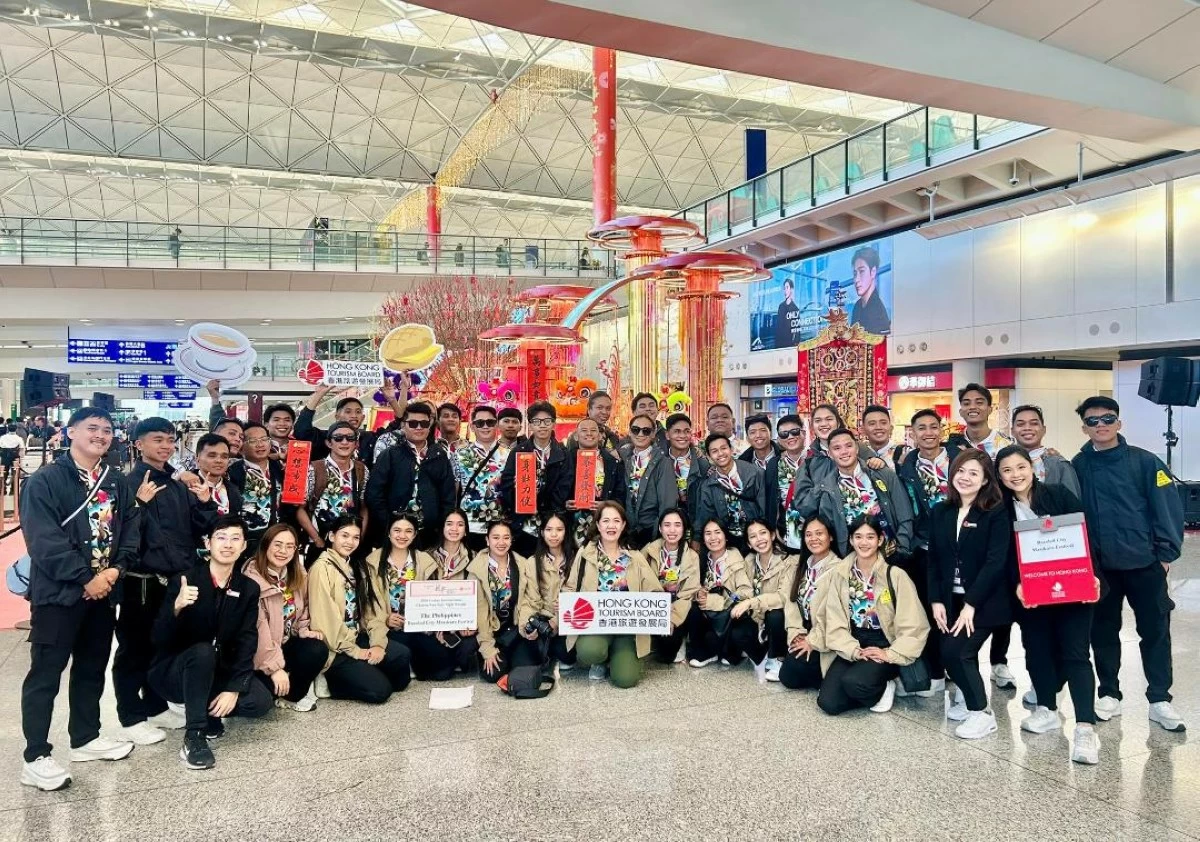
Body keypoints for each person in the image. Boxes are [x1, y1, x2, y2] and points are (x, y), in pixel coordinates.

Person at [18, 408, 138, 791]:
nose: (101, 435)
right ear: (71, 432)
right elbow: (43, 540)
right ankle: (35, 756)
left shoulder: (115, 481)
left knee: (91, 667)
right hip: (59, 594)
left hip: (104, 593)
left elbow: (131, 529)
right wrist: (86, 578)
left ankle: (85, 738)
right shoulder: (44, 481)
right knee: (46, 674)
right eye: (92, 428)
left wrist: (115, 571)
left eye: (107, 430)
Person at [1072, 396, 1185, 731]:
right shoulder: (1079, 465)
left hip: (1144, 563)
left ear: (1119, 423)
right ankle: (1109, 693)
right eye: (1093, 421)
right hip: (1101, 568)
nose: (1101, 425)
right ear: (1084, 428)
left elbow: (1168, 509)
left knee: (1155, 632)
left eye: (1108, 419)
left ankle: (1160, 699)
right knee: (1103, 631)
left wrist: (1165, 555)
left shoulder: (1146, 462)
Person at [114, 418, 217, 745]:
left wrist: (204, 501)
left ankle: (155, 705)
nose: (166, 446)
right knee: (134, 647)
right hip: (141, 580)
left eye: (170, 440)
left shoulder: (176, 482)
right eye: (157, 439)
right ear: (138, 443)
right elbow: (121, 535)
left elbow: (199, 529)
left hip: (175, 579)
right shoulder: (129, 483)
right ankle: (130, 715)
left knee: (163, 643)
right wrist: (139, 505)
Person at [996, 445, 1101, 764]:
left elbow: (1084, 535)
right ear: (999, 476)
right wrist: (1017, 584)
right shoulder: (1000, 510)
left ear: (1032, 468)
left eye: (1020, 467)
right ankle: (1047, 708)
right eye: (1007, 470)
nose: (1015, 475)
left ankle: (1085, 727)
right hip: (1032, 593)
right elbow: (1002, 555)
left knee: (1076, 654)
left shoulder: (1058, 495)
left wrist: (1091, 575)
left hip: (1074, 588)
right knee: (1037, 650)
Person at [149, 516, 271, 770]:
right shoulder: (185, 580)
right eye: (221, 537)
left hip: (217, 669)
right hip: (174, 671)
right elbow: (158, 638)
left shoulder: (248, 588)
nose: (228, 544)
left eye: (235, 539)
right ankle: (194, 735)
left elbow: (247, 639)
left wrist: (234, 689)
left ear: (244, 546)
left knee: (258, 702)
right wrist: (176, 608)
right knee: (203, 652)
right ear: (208, 543)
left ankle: (204, 708)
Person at [928, 450, 1012, 740]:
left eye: (974, 473)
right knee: (954, 652)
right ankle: (967, 700)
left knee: (957, 651)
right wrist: (936, 600)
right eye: (961, 471)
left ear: (986, 479)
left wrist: (971, 604)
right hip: (950, 599)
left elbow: (995, 562)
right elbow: (934, 559)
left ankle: (982, 713)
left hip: (984, 601)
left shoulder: (995, 512)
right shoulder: (941, 511)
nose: (965, 477)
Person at [816, 515, 928, 715]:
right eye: (858, 537)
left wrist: (889, 654)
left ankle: (886, 684)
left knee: (855, 682)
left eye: (870, 537)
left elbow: (914, 624)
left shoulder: (895, 575)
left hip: (886, 642)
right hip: (854, 641)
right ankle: (872, 685)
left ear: (880, 540)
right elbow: (834, 621)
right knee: (828, 703)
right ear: (851, 540)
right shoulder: (840, 575)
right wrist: (854, 651)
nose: (864, 542)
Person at [895, 409, 965, 697]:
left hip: (961, 548)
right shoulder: (906, 466)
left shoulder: (961, 459)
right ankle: (936, 672)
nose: (928, 433)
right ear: (912, 433)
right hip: (925, 549)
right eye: (921, 428)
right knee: (932, 610)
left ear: (941, 430)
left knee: (960, 612)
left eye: (933, 427)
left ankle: (962, 674)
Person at [307, 515, 413, 703]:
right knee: (381, 691)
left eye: (355, 537)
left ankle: (363, 672)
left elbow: (371, 612)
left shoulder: (355, 565)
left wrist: (377, 644)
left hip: (357, 635)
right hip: (336, 647)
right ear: (331, 536)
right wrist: (357, 652)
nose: (350, 542)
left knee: (401, 661)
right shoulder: (321, 568)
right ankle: (331, 682)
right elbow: (326, 622)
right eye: (344, 535)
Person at [561, 501, 664, 688]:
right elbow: (570, 587)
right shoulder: (585, 554)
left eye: (616, 521)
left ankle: (619, 657)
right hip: (596, 626)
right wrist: (563, 605)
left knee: (626, 680)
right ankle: (601, 660)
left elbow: (654, 590)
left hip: (627, 629)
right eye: (606, 521)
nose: (611, 526)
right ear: (598, 525)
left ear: (623, 525)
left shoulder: (634, 557)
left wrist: (662, 611)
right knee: (589, 652)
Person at [368, 513, 473, 681]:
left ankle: (413, 662)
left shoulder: (424, 560)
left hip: (418, 628)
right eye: (397, 530)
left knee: (443, 672)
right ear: (388, 532)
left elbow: (433, 600)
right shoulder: (372, 562)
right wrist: (386, 619)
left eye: (408, 531)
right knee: (399, 666)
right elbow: (368, 604)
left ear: (415, 534)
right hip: (389, 629)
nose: (402, 536)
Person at [242, 524, 328, 714]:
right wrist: (274, 668)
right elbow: (258, 629)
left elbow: (303, 606)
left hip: (283, 643)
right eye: (278, 544)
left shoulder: (297, 573)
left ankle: (290, 697)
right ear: (266, 545)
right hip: (256, 654)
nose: (283, 551)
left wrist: (304, 629)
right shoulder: (251, 580)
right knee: (262, 700)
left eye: (290, 546)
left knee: (316, 648)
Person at [792, 427, 913, 559]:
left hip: (890, 554)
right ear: (830, 454)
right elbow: (829, 530)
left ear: (857, 448)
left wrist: (902, 548)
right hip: (852, 559)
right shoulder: (827, 489)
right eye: (837, 448)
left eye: (848, 446)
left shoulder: (883, 474)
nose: (844, 452)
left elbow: (905, 514)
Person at [367, 402, 457, 551]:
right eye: (413, 423)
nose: (419, 427)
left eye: (424, 423)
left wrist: (439, 525)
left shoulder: (439, 455)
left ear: (430, 425)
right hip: (395, 534)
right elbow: (374, 494)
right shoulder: (390, 455)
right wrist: (389, 523)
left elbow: (448, 495)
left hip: (429, 535)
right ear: (403, 425)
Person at [470, 521, 547, 684]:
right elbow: (479, 611)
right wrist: (487, 648)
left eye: (506, 537)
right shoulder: (476, 569)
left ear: (511, 540)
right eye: (495, 537)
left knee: (526, 670)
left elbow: (530, 600)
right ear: (487, 540)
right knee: (493, 674)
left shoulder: (522, 564)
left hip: (516, 630)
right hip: (492, 632)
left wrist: (526, 626)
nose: (501, 542)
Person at [499, 401, 572, 557]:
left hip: (552, 525)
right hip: (524, 525)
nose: (542, 426)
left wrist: (542, 504)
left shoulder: (563, 454)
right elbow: (505, 485)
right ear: (530, 425)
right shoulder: (518, 451)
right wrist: (516, 490)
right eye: (537, 421)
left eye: (547, 421)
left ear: (553, 424)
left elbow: (565, 486)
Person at [730, 519, 798, 681]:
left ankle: (778, 658)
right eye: (753, 536)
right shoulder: (749, 561)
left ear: (772, 535)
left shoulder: (789, 561)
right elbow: (743, 589)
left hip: (781, 620)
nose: (759, 539)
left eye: (763, 533)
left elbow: (783, 597)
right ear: (748, 543)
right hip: (757, 618)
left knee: (775, 615)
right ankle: (763, 656)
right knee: (737, 631)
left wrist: (750, 602)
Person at [778, 514, 839, 691]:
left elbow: (835, 616)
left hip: (826, 635)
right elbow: (791, 603)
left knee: (794, 669)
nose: (813, 539)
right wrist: (796, 632)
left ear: (830, 536)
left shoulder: (838, 569)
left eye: (819, 533)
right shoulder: (801, 566)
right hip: (804, 629)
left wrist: (812, 641)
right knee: (787, 677)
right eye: (808, 534)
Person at [297, 421, 368, 563]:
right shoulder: (314, 468)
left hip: (350, 544)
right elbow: (300, 509)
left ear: (356, 443)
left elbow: (364, 508)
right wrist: (317, 539)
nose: (344, 442)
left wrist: (359, 537)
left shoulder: (362, 469)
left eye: (350, 438)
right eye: (338, 438)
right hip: (320, 541)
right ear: (329, 443)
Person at [686, 520, 754, 668]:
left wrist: (718, 601)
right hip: (708, 615)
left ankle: (730, 651)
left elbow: (746, 593)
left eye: (717, 532)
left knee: (720, 644)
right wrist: (699, 593)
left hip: (729, 617)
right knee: (692, 609)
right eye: (708, 533)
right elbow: (691, 587)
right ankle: (706, 652)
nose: (713, 538)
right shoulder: (701, 559)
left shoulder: (736, 559)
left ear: (726, 536)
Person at [643, 508, 702, 665]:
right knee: (662, 656)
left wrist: (672, 619)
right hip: (655, 608)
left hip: (678, 610)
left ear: (684, 529)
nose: (672, 530)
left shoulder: (692, 556)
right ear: (660, 528)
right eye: (667, 525)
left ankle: (682, 638)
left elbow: (688, 593)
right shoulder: (648, 552)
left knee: (668, 654)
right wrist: (661, 613)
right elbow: (642, 585)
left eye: (677, 525)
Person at [693, 432, 767, 553]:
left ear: (731, 449)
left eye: (723, 448)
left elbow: (765, 505)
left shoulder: (754, 473)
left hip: (755, 535)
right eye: (714, 451)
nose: (720, 453)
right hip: (728, 540)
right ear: (709, 456)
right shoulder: (708, 486)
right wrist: (697, 538)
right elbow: (706, 516)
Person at [455, 405, 514, 552]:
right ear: (472, 427)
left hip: (501, 526)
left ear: (497, 425)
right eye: (480, 423)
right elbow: (454, 491)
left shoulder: (511, 455)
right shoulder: (460, 455)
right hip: (470, 524)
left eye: (490, 422)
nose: (485, 426)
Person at [565, 417, 627, 546]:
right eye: (584, 430)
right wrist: (564, 503)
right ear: (576, 436)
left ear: (599, 436)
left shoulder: (613, 462)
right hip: (572, 521)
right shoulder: (565, 460)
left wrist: (607, 504)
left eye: (593, 430)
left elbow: (621, 494)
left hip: (603, 521)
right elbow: (555, 490)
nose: (589, 433)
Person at [620, 413, 678, 546]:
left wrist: (660, 531)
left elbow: (668, 503)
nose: (640, 434)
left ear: (653, 434)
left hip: (651, 531)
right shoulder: (624, 458)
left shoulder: (663, 462)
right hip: (627, 530)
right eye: (636, 430)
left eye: (646, 431)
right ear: (630, 432)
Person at [534, 512, 578, 671]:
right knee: (533, 654)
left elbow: (579, 592)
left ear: (566, 532)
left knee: (567, 654)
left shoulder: (577, 558)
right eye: (548, 529)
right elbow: (531, 598)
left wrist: (557, 621)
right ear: (542, 532)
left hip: (570, 619)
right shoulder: (534, 561)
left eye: (559, 529)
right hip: (544, 618)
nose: (554, 535)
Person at [294, 385, 380, 466]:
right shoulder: (325, 437)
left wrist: (388, 395)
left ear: (363, 417)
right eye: (348, 411)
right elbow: (301, 432)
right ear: (337, 416)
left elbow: (388, 434)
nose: (354, 415)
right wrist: (318, 394)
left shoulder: (370, 438)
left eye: (358, 412)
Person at [1009, 404, 1080, 496]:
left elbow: (1073, 501)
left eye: (1034, 423)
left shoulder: (1060, 465)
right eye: (1020, 424)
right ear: (1012, 431)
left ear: (1044, 429)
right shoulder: (1003, 464)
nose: (1027, 428)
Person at [238, 421, 284, 553]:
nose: (260, 444)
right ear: (242, 447)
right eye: (252, 441)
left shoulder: (278, 467)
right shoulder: (234, 471)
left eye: (264, 439)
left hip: (276, 539)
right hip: (246, 542)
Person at [664, 413, 708, 526]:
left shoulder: (702, 463)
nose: (683, 435)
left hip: (696, 522)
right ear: (667, 435)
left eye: (687, 431)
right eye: (677, 431)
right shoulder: (660, 462)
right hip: (670, 524)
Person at [739, 415, 781, 530]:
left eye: (763, 430)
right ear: (747, 437)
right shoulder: (742, 463)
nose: (758, 435)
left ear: (770, 433)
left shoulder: (783, 457)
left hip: (780, 523)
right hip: (755, 526)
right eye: (752, 432)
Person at [772, 414, 807, 552]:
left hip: (816, 534)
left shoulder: (817, 461)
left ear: (803, 433)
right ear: (779, 439)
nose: (790, 437)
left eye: (795, 431)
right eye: (784, 434)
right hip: (786, 535)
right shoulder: (774, 465)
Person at [948, 383, 1013, 457]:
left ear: (990, 409)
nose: (972, 407)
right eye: (966, 403)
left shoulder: (1006, 445)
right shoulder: (953, 445)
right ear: (961, 412)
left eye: (979, 403)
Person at [193, 433, 243, 521]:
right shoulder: (187, 487)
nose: (219, 460)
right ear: (197, 458)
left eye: (224, 456)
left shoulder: (234, 489)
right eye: (212, 456)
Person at [848, 245, 890, 335]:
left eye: (862, 271)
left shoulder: (878, 312)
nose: (856, 279)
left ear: (873, 272)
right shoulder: (857, 306)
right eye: (855, 273)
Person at [862, 405, 900, 470]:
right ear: (863, 429)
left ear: (891, 427)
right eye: (872, 424)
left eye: (883, 423)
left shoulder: (902, 453)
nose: (878, 427)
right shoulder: (859, 453)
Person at [774, 276, 801, 348]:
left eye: (787, 288)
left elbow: (797, 330)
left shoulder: (795, 309)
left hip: (788, 344)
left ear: (791, 289)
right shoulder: (781, 306)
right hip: (778, 343)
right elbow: (778, 326)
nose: (785, 291)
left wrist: (795, 345)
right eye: (784, 288)